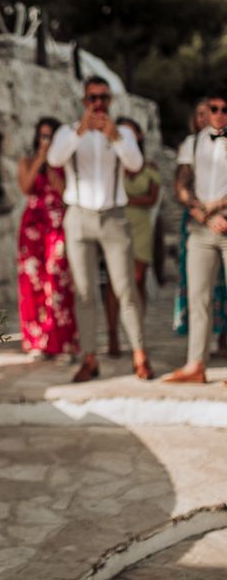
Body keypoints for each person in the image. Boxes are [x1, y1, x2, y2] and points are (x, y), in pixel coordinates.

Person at [47, 76, 154, 382]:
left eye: (104, 98)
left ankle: (140, 354)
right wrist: (81, 131)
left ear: (110, 101)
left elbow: (135, 164)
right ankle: (90, 358)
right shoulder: (68, 132)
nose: (98, 103)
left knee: (125, 288)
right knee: (84, 292)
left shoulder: (122, 133)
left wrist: (116, 138)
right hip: (79, 216)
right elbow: (55, 158)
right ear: (84, 101)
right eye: (93, 98)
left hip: (114, 216)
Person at [164, 90, 227, 384]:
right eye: (212, 109)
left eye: (223, 109)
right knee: (198, 297)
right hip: (201, 229)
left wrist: (218, 211)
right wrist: (198, 209)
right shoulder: (192, 143)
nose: (217, 114)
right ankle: (195, 364)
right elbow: (182, 183)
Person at [17, 117, 79, 360]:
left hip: (58, 224)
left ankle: (63, 342)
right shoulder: (28, 161)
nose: (46, 141)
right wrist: (41, 158)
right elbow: (26, 187)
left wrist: (54, 163)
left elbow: (65, 192)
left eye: (50, 137)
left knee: (58, 280)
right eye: (42, 136)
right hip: (32, 226)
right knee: (32, 282)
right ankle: (37, 341)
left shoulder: (65, 164)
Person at [102, 117, 160, 356]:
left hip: (141, 226)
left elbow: (152, 199)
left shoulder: (150, 167)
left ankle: (137, 333)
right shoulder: (110, 164)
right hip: (115, 223)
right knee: (113, 282)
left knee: (137, 278)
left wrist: (125, 199)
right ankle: (113, 333)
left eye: (132, 131)